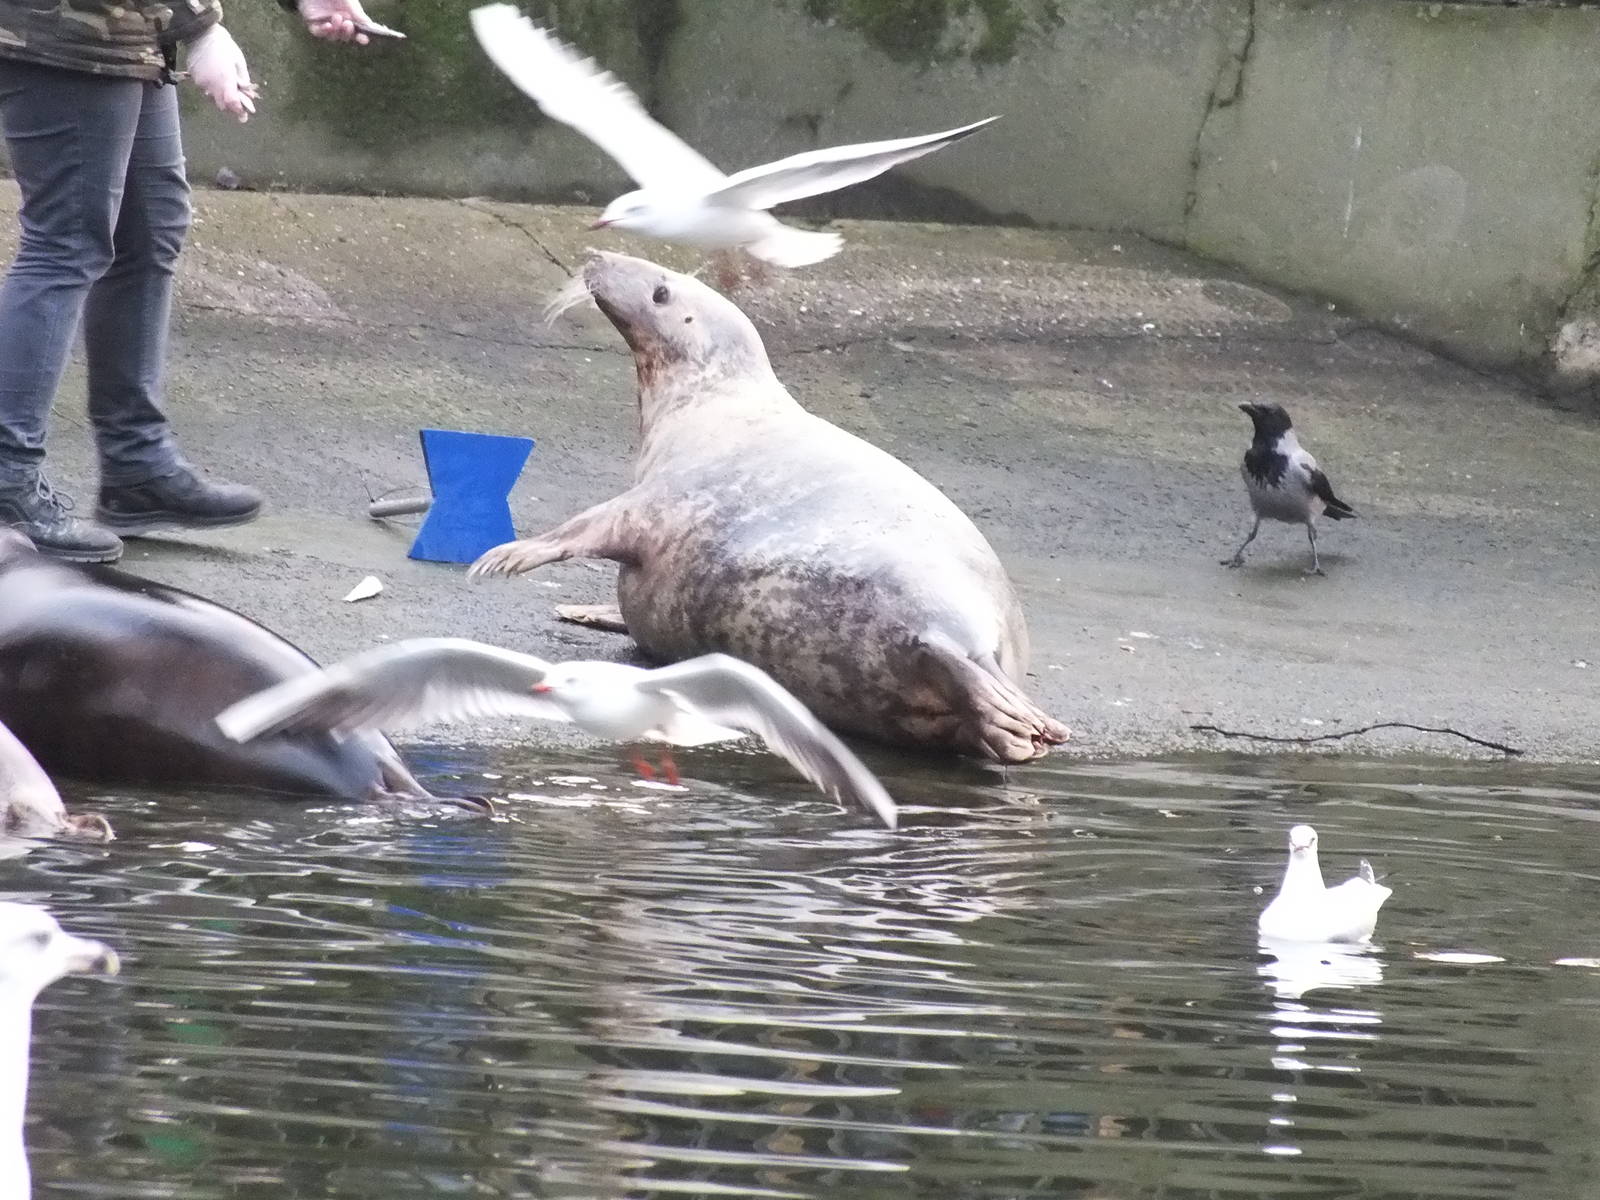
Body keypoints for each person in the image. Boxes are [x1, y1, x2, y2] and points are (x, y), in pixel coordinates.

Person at [0, 0, 385, 563]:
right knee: (66, 242)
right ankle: (8, 483)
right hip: (60, 30)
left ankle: (138, 466)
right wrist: (200, 27)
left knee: (150, 226)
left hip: (128, 32)